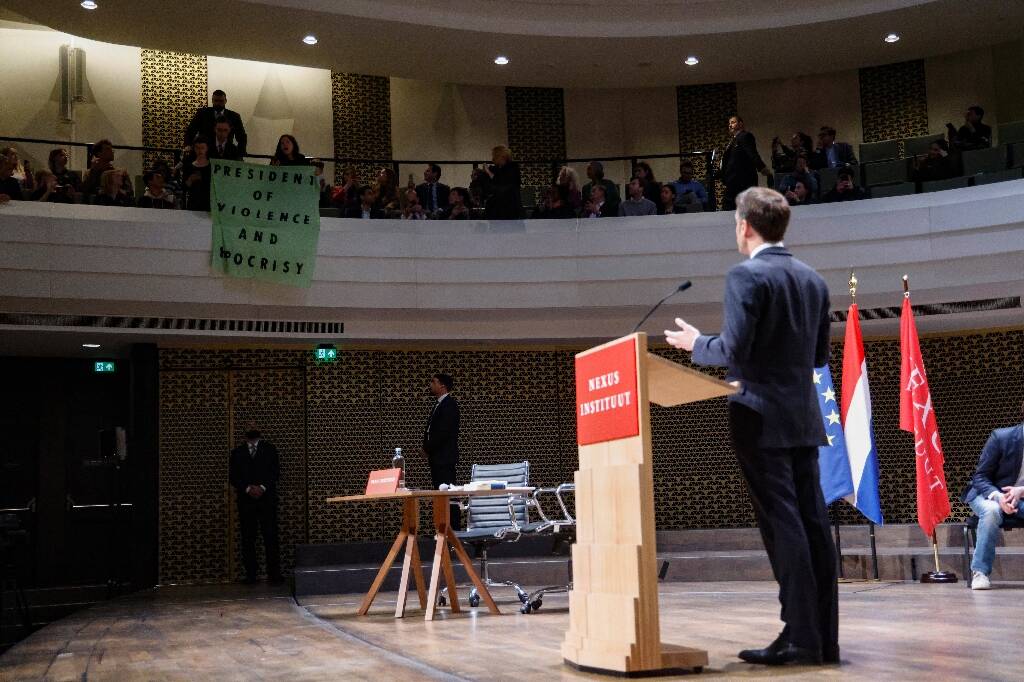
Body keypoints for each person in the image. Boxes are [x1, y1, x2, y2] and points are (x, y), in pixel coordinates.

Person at [665, 187, 838, 666]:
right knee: (812, 523)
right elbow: (818, 357)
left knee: (783, 524)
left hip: (759, 417)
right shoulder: (814, 279)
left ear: (744, 226)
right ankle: (822, 638)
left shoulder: (745, 275)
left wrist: (697, 344)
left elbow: (734, 350)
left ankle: (800, 636)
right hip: (803, 416)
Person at [961, 404, 1024, 590]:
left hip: (1020, 497)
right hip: (987, 494)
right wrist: (999, 497)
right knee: (992, 511)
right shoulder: (1002, 437)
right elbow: (980, 477)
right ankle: (980, 572)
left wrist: (1020, 491)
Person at [228, 425, 282, 584]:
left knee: (270, 537)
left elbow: (275, 473)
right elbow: (233, 477)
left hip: (267, 501)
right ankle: (251, 575)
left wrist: (262, 487)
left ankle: (274, 575)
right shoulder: (237, 453)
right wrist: (248, 488)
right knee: (248, 539)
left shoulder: (270, 449)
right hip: (246, 502)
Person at [422, 373, 461, 528]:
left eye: (434, 382)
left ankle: (454, 530)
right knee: (440, 495)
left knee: (448, 495)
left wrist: (427, 448)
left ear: (442, 386)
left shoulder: (449, 405)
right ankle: (443, 528)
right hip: (437, 458)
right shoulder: (439, 404)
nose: (430, 385)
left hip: (444, 458)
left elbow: (443, 432)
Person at [721, 115, 769, 211]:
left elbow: (752, 153)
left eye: (733, 122)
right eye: (729, 123)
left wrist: (762, 167)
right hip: (732, 181)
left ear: (740, 124)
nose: (730, 125)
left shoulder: (745, 136)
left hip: (743, 181)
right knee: (729, 209)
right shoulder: (733, 140)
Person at [184, 89, 247, 156]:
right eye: (216, 101)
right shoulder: (202, 114)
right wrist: (188, 145)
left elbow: (241, 136)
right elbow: (191, 131)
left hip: (225, 152)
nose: (218, 103)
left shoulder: (234, 117)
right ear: (212, 101)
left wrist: (241, 151)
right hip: (205, 151)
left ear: (225, 101)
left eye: (221, 101)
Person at [483, 145, 522, 219]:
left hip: (510, 206)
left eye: (494, 156)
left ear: (501, 156)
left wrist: (488, 172)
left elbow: (503, 182)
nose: (493, 158)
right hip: (495, 208)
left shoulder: (512, 167)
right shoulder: (495, 168)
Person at [182, 136, 213, 211]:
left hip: (209, 203)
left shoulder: (212, 166)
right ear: (194, 148)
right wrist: (190, 180)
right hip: (193, 202)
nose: (200, 151)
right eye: (197, 148)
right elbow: (184, 187)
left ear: (207, 148)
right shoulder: (189, 166)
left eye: (202, 148)